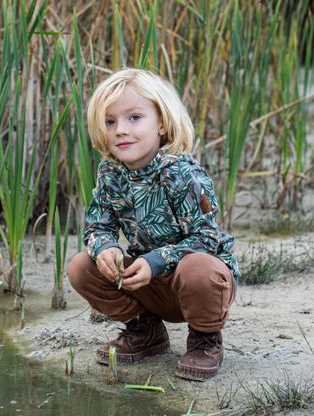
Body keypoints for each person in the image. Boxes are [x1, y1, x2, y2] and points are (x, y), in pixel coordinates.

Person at [67, 68, 239, 381]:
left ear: (161, 123)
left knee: (199, 268)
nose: (120, 129)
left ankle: (205, 339)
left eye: (134, 118)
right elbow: (96, 226)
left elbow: (206, 240)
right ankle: (145, 330)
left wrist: (155, 260)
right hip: (146, 284)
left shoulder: (182, 174)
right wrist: (105, 248)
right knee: (81, 266)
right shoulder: (111, 175)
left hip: (195, 282)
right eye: (110, 121)